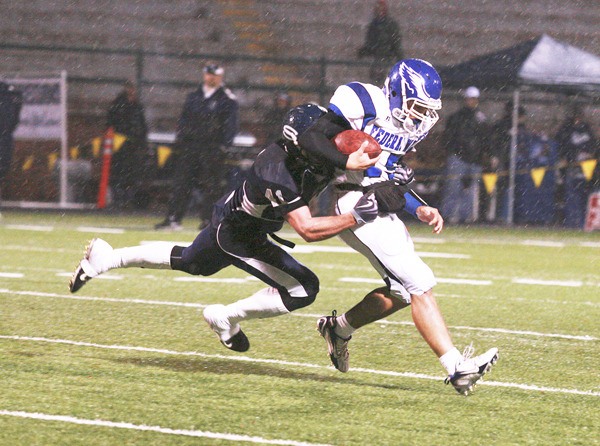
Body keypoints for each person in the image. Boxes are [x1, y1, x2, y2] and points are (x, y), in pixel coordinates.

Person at [69, 103, 379, 353]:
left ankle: (108, 258)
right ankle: (225, 317)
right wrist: (357, 216)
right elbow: (308, 230)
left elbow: (336, 145)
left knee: (192, 261)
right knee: (303, 287)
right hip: (240, 232)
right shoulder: (277, 171)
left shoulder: (320, 134)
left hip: (239, 220)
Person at [302, 59, 498, 395]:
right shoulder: (360, 101)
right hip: (355, 202)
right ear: (396, 90)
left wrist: (419, 208)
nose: (420, 115)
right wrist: (337, 166)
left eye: (426, 109)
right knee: (419, 281)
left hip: (380, 203)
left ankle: (339, 329)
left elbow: (389, 178)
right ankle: (457, 367)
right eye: (416, 105)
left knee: (402, 292)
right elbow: (316, 140)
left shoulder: (409, 127)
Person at [155, 62, 239, 231]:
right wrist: (181, 140)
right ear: (204, 75)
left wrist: (224, 146)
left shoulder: (227, 99)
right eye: (209, 74)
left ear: (220, 77)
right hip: (191, 146)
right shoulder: (194, 96)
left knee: (212, 186)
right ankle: (173, 218)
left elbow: (230, 125)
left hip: (212, 148)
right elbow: (184, 120)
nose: (211, 78)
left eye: (214, 75)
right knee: (182, 183)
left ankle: (208, 220)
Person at [440, 86, 488, 224]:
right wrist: (453, 151)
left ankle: (466, 218)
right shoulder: (456, 118)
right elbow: (449, 137)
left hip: (474, 159)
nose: (471, 102)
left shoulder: (481, 119)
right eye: (469, 99)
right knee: (453, 187)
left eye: (474, 99)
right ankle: (449, 215)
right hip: (458, 157)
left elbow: (485, 139)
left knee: (471, 190)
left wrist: (484, 155)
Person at [554, 104, 598, 228]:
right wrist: (567, 157)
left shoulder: (586, 129)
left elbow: (593, 145)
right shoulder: (566, 129)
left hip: (586, 168)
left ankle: (583, 221)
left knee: (584, 195)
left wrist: (589, 154)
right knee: (571, 195)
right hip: (572, 166)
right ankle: (572, 222)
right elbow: (561, 145)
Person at [106, 81, 148, 209]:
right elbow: (110, 124)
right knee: (118, 174)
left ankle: (128, 200)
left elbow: (142, 125)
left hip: (133, 147)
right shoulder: (118, 105)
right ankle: (118, 200)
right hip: (120, 147)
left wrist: (141, 141)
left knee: (131, 175)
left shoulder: (137, 106)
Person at [357, 0, 404, 84]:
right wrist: (363, 52)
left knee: (384, 82)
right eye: (377, 8)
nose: (379, 10)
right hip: (378, 60)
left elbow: (396, 44)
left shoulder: (390, 25)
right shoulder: (373, 25)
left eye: (380, 8)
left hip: (386, 59)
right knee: (376, 82)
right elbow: (370, 44)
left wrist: (399, 59)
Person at [0, 81, 23, 198]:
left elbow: (15, 119)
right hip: (5, 136)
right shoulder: (11, 93)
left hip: (4, 137)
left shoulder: (11, 93)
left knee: (3, 168)